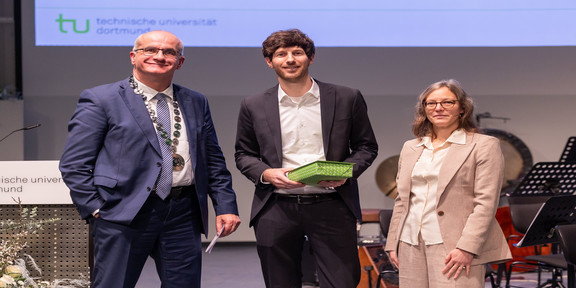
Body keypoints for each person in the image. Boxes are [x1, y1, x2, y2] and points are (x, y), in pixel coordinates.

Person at [59, 30, 241, 288]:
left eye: (169, 52)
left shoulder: (195, 101)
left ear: (180, 62)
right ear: (134, 57)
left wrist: (225, 205)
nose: (160, 56)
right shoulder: (102, 99)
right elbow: (74, 164)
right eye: (150, 50)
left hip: (183, 212)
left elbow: (212, 160)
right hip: (121, 213)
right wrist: (96, 209)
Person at [234, 28, 378, 288]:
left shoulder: (346, 97)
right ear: (269, 61)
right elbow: (244, 154)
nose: (290, 59)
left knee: (342, 282)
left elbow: (366, 147)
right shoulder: (253, 104)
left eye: (297, 53)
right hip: (276, 207)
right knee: (280, 283)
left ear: (310, 58)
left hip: (332, 205)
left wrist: (343, 172)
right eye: (281, 54)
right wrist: (266, 174)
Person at [385, 79, 512, 287]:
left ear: (462, 108)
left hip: (455, 245)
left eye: (447, 102)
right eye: (431, 103)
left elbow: (486, 204)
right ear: (424, 109)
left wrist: (467, 248)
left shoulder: (483, 145)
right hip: (410, 242)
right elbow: (402, 200)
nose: (438, 108)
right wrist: (393, 243)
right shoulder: (411, 147)